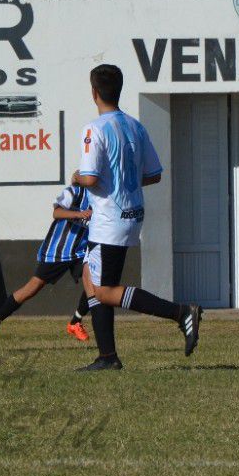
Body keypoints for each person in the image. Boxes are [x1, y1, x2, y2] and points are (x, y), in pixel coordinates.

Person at [71, 63, 202, 371]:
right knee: (93, 279)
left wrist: (77, 177)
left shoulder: (95, 128)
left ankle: (180, 312)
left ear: (94, 93)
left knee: (103, 289)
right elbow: (153, 175)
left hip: (109, 219)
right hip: (131, 212)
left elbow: (89, 178)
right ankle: (107, 357)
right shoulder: (134, 126)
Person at [0, 184, 93, 343]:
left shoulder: (104, 196)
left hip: (81, 251)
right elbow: (57, 212)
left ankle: (75, 322)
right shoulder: (75, 191)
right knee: (31, 289)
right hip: (58, 251)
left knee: (95, 283)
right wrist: (79, 214)